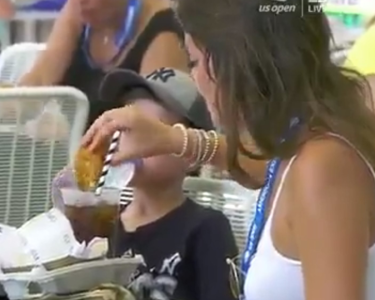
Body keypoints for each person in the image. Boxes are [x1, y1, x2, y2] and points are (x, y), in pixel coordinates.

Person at [81, 1, 375, 300]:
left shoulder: (323, 166)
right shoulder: (307, 145)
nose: (194, 79)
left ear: (231, 61)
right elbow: (261, 166)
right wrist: (170, 139)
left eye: (193, 62)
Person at [56, 68, 238, 300]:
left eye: (150, 129)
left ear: (189, 151)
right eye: (125, 127)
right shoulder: (98, 223)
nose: (132, 139)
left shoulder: (207, 229)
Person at [18, 0, 188, 127]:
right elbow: (38, 82)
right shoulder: (78, 10)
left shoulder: (164, 27)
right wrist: (1, 108)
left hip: (133, 165)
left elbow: (153, 131)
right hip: (81, 159)